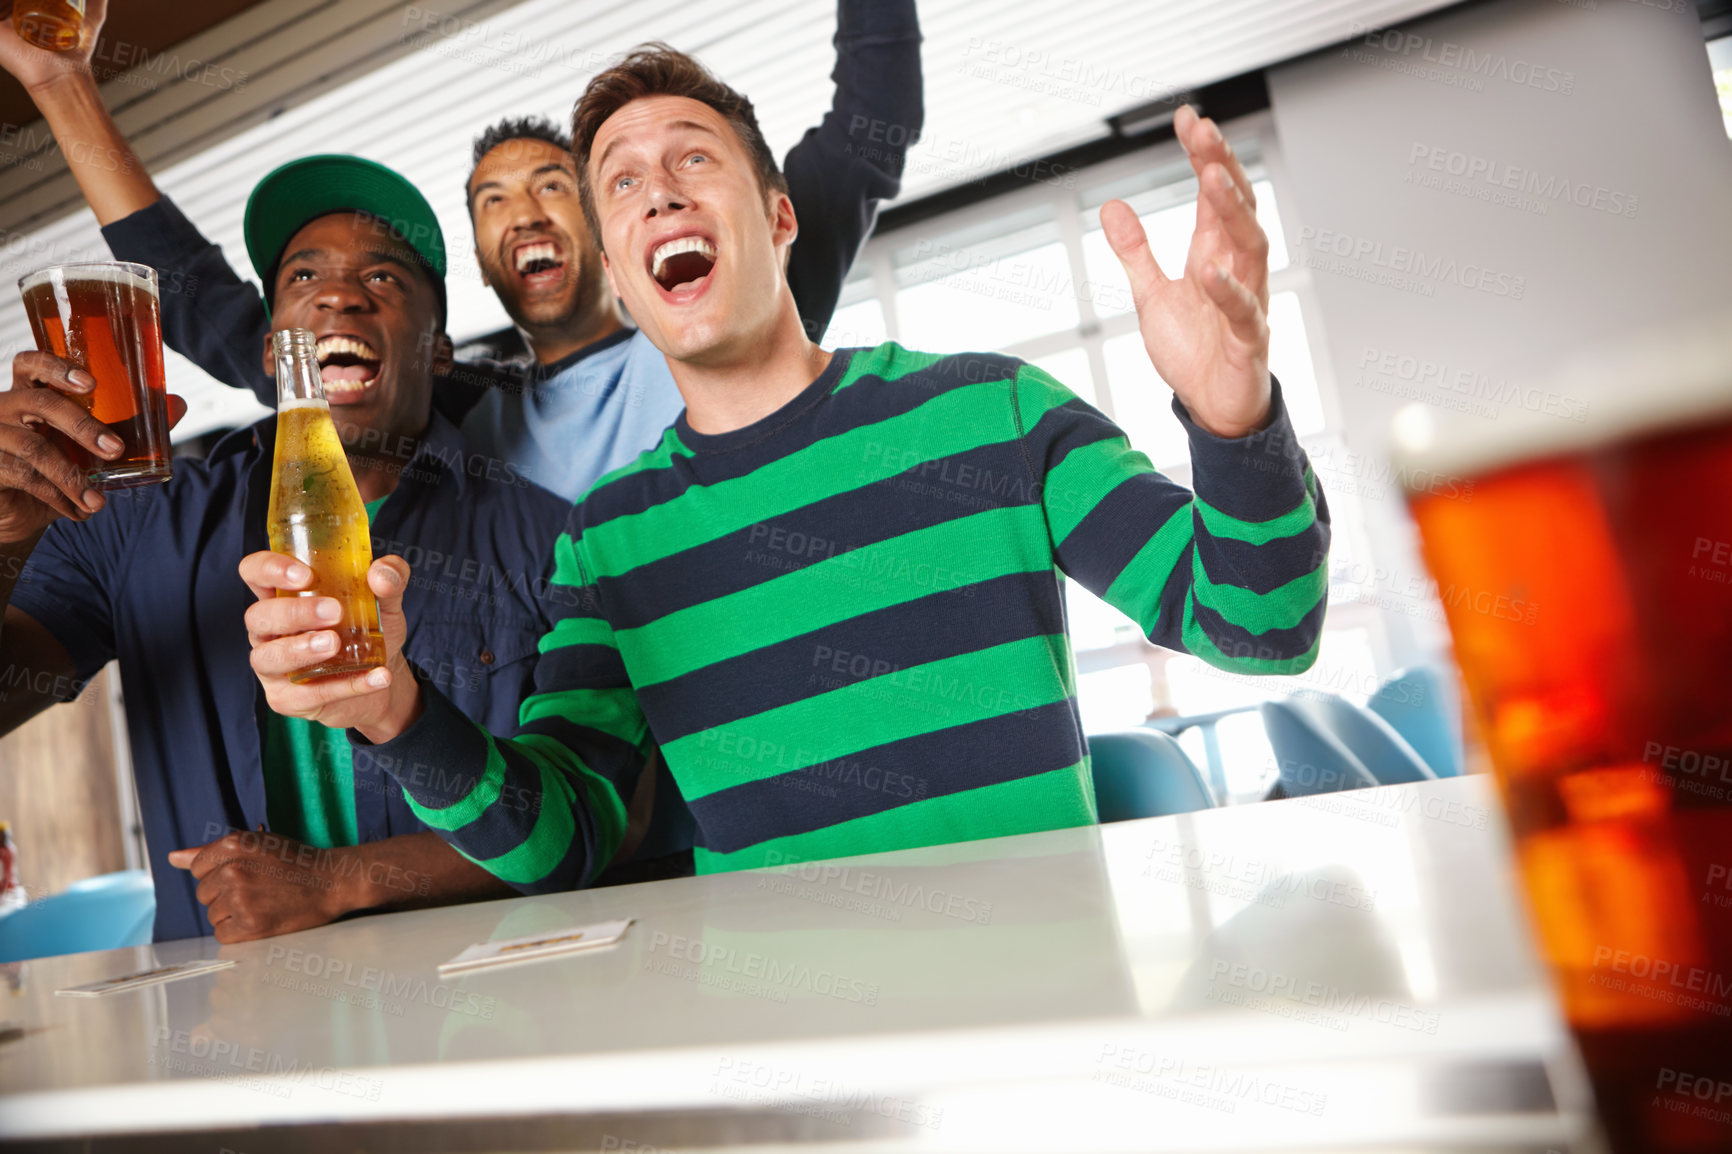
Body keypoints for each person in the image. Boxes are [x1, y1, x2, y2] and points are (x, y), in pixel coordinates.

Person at [248, 47, 1331, 889]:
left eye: (692, 160)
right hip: (793, 1063)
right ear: (621, 277)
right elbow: (560, 839)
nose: (659, 195)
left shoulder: (988, 411)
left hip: (1046, 1018)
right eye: (620, 186)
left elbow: (1260, 624)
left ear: (774, 217)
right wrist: (396, 713)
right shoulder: (606, 540)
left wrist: (1234, 417)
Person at [0, 0, 922, 503]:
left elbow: (864, 138)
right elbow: (220, 313)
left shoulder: (726, 321)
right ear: (478, 272)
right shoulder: (455, 409)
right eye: (491, 200)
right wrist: (61, 87)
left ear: (611, 223)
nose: (523, 211)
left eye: (555, 186)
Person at [0, 158, 574, 943]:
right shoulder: (133, 527)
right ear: (272, 350)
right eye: (305, 275)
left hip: (489, 1017)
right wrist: (7, 536)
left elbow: (606, 816)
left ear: (439, 350)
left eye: (386, 278)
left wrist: (341, 883)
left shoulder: (547, 538)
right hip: (233, 1041)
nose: (340, 293)